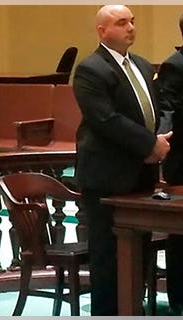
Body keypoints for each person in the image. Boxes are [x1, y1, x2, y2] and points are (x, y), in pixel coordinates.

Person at [72, 5, 172, 315]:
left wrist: (162, 136)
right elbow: (105, 119)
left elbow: (161, 106)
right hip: (106, 179)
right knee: (108, 259)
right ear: (102, 31)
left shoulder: (141, 65)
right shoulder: (91, 69)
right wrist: (148, 145)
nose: (130, 27)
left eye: (132, 21)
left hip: (140, 176)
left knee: (138, 255)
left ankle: (133, 310)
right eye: (121, 22)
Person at [155, 12, 183, 316]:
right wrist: (161, 140)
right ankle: (179, 297)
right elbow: (168, 110)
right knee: (181, 235)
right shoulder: (175, 66)